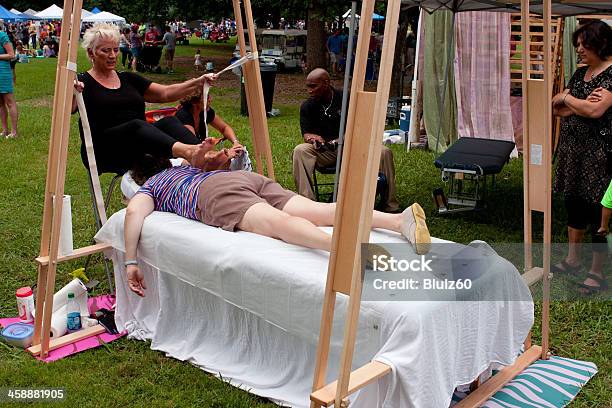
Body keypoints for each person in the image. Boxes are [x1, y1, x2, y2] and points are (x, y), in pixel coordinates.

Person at [122, 154, 431, 297]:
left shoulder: (149, 187)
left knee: (278, 225)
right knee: (317, 210)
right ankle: (397, 220)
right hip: (238, 178)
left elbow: (135, 214)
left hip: (212, 195)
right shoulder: (185, 170)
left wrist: (131, 260)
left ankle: (344, 249)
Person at [72, 22, 217, 176]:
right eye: (105, 51)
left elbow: (165, 93)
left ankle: (210, 158)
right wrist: (72, 92)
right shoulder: (82, 82)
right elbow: (68, 109)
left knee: (169, 121)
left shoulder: (128, 78)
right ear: (91, 53)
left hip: (139, 144)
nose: (112, 55)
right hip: (104, 151)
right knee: (137, 126)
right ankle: (188, 152)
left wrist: (198, 82)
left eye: (115, 50)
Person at [551, 20, 612, 295]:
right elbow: (556, 107)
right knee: (573, 204)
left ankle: (596, 272)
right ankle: (574, 259)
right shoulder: (580, 74)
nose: (579, 49)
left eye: (583, 44)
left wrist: (570, 99)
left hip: (599, 156)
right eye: (577, 44)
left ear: (600, 43)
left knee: (598, 212)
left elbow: (595, 112)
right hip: (572, 153)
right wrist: (576, 101)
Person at [293, 68, 400, 212]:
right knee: (300, 150)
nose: (309, 90)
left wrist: (340, 140)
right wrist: (313, 138)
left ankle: (390, 205)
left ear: (326, 83)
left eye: (313, 86)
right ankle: (308, 204)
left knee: (384, 152)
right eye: (308, 86)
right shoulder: (308, 106)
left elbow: (360, 127)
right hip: (327, 152)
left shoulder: (347, 99)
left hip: (355, 147)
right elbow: (306, 133)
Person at [0, 23, 17, 139]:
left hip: (3, 72)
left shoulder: (2, 35)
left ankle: (14, 132)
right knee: (0, 103)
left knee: (9, 101)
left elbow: (11, 54)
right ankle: (5, 130)